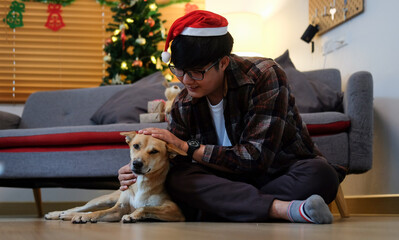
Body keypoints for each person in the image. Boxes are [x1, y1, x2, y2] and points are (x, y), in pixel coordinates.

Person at [118, 10, 345, 224]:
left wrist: (189, 148)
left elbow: (256, 158)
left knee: (321, 175)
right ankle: (284, 209)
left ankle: (219, 209)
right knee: (178, 177)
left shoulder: (265, 75)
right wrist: (136, 169)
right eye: (178, 70)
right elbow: (175, 157)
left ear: (224, 62)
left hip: (275, 171)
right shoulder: (183, 103)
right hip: (221, 181)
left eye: (197, 71)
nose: (186, 80)